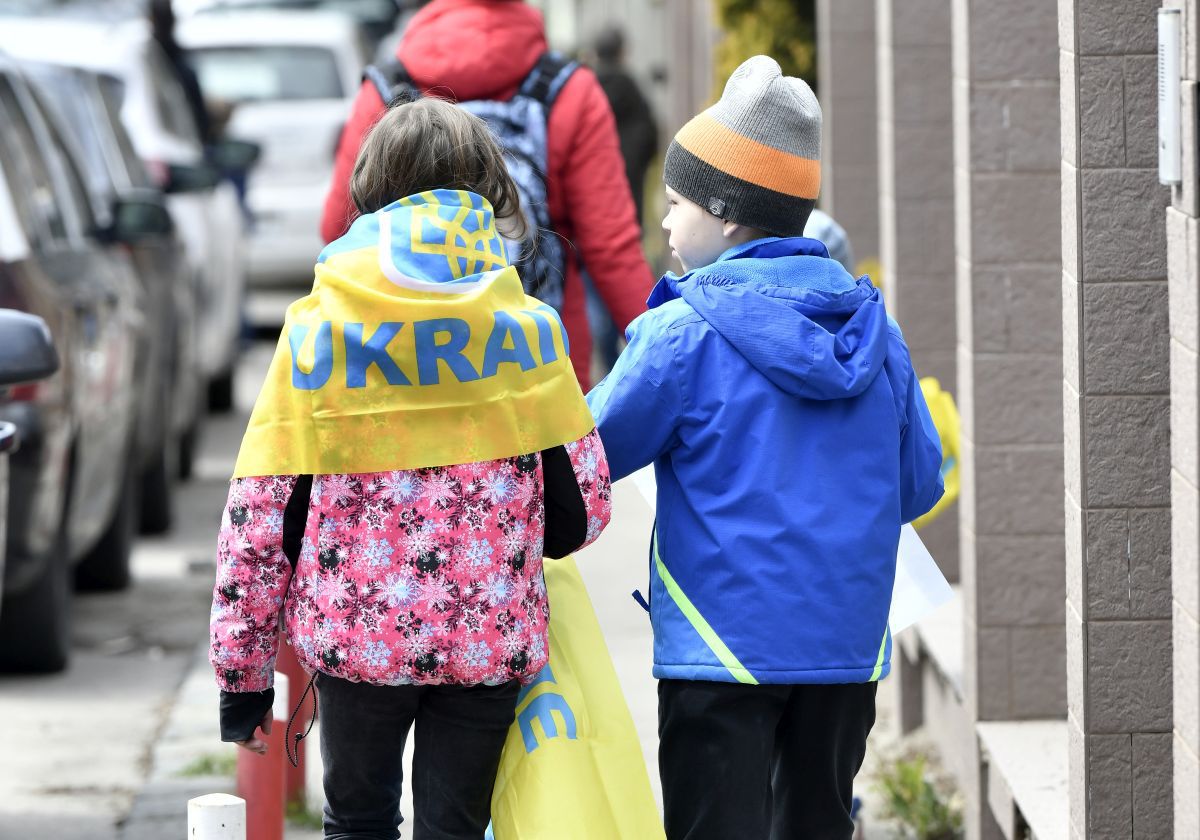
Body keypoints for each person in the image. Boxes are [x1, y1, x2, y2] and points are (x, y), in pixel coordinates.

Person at [210, 97, 612, 840]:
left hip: (354, 642)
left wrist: (243, 676)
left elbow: (261, 514)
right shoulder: (526, 330)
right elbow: (583, 512)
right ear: (487, 195)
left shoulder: (318, 331)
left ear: (371, 195)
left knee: (357, 823)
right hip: (487, 638)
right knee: (455, 829)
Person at [586, 56, 945, 840]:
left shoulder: (682, 336)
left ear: (725, 213)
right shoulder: (876, 336)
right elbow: (918, 484)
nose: (663, 224)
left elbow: (585, 456)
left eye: (675, 204)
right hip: (843, 649)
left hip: (720, 645)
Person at [319, 0, 655, 390]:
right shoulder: (569, 90)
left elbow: (337, 228)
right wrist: (667, 357)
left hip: (405, 368)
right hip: (542, 372)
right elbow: (612, 251)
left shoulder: (386, 89)